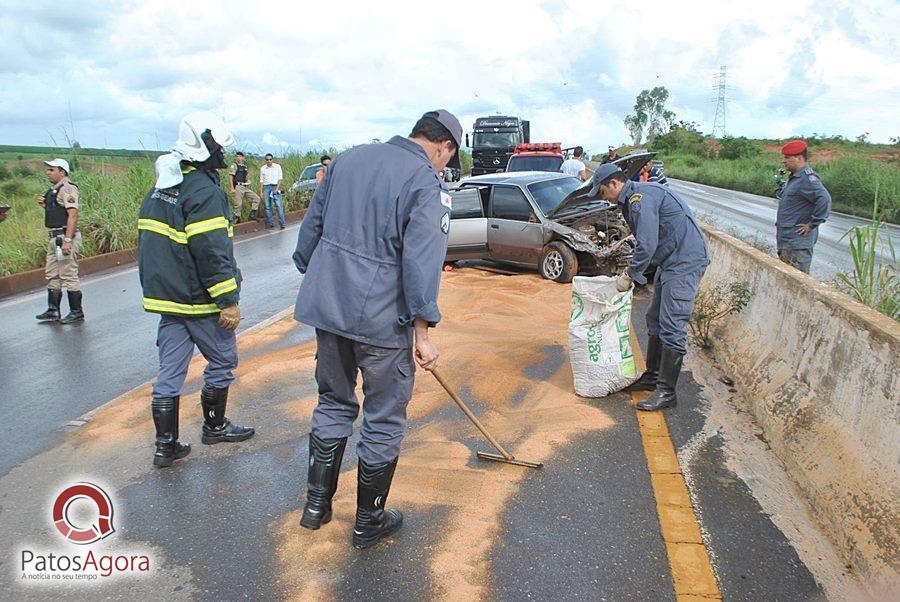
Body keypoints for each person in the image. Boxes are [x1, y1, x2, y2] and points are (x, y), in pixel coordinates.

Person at [292, 109, 461, 549]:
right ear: (444, 147)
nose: (444, 165)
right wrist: (422, 332)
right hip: (383, 321)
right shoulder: (425, 181)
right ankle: (369, 520)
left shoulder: (348, 158)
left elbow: (310, 230)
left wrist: (321, 279)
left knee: (332, 401)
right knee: (383, 417)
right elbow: (422, 261)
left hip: (329, 309)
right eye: (448, 158)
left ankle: (316, 507)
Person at [138, 111, 255, 468]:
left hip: (169, 301)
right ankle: (215, 427)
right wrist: (227, 301)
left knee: (170, 372)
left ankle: (165, 446)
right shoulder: (204, 192)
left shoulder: (163, 186)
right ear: (203, 146)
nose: (223, 153)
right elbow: (211, 251)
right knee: (222, 361)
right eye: (218, 145)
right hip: (199, 300)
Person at [589, 163, 709, 411]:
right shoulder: (633, 198)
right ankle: (653, 377)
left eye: (602, 192)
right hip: (670, 259)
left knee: (672, 323)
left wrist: (630, 275)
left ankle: (666, 392)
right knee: (654, 318)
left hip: (684, 260)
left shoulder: (639, 199)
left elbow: (647, 243)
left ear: (614, 184)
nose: (604, 199)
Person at [35, 159, 84, 324]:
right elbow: (59, 212)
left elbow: (73, 215)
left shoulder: (68, 188)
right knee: (53, 274)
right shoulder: (53, 191)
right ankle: (53, 310)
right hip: (54, 237)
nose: (48, 172)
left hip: (64, 236)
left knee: (68, 274)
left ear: (62, 172)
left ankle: (76, 311)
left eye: (51, 170)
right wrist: (45, 204)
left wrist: (68, 240)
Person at [775, 140, 831, 274]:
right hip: (788, 241)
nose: (784, 161)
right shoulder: (795, 178)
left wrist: (812, 224)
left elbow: (824, 199)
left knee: (797, 281)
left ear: (799, 158)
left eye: (787, 158)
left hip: (797, 244)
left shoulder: (807, 179)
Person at [229, 151, 261, 223]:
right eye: (237, 156)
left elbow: (244, 177)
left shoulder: (244, 167)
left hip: (244, 186)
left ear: (243, 157)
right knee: (238, 204)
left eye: (240, 156)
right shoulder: (234, 165)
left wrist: (247, 180)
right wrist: (232, 188)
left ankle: (252, 215)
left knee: (256, 198)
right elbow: (231, 177)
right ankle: (236, 220)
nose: (238, 157)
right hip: (238, 186)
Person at [260, 153, 285, 229]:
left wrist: (277, 189)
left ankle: (282, 223)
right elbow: (261, 181)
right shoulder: (263, 168)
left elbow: (280, 178)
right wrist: (261, 192)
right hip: (266, 187)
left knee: (278, 206)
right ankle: (271, 223)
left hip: (275, 186)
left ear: (272, 160)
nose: (269, 161)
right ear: (265, 160)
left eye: (270, 159)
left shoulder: (277, 167)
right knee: (268, 206)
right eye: (267, 160)